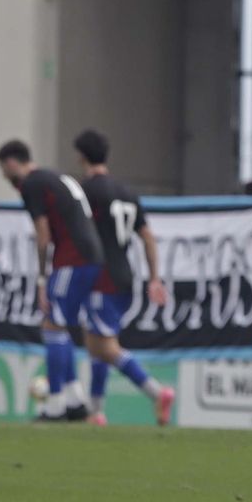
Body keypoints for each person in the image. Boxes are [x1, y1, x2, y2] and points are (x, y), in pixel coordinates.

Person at [72, 129, 175, 427]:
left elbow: (75, 234)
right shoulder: (127, 192)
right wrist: (154, 278)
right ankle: (96, 412)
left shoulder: (87, 192)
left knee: (105, 347)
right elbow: (147, 237)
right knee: (95, 343)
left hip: (99, 277)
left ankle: (157, 393)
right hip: (123, 276)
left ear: (81, 156)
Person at [0, 139, 102, 422]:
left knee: (52, 324)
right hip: (89, 257)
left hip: (73, 259)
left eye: (3, 170)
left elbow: (43, 235)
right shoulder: (56, 176)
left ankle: (55, 405)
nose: (4, 176)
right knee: (59, 325)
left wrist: (42, 278)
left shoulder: (32, 184)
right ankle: (74, 399)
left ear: (11, 163)